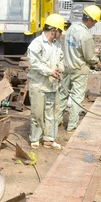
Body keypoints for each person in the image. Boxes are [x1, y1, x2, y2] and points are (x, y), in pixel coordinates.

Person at [58, 4, 101, 133]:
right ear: (90, 20)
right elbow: (89, 57)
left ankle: (57, 120)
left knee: (63, 95)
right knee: (77, 98)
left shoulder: (71, 28)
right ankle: (71, 126)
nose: (94, 24)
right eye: (95, 22)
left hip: (67, 67)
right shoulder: (86, 35)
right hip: (79, 70)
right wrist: (96, 60)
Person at [27, 13, 66, 150]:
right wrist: (50, 71)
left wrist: (61, 67)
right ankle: (35, 138)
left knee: (51, 114)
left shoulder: (56, 45)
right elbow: (34, 63)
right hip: (38, 85)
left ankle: (49, 139)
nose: (61, 34)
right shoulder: (36, 44)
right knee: (37, 113)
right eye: (60, 31)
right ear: (53, 31)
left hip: (52, 85)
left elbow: (61, 58)